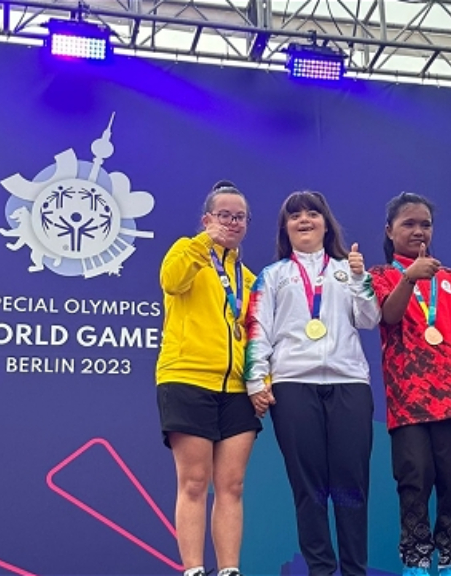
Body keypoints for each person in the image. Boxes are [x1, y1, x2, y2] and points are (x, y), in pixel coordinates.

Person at [245, 190, 381, 576]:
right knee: (308, 486)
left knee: (351, 485)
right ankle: (321, 570)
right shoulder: (272, 276)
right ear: (285, 229)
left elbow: (369, 319)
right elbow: (257, 329)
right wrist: (256, 380)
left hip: (349, 382)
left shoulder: (347, 270)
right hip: (292, 384)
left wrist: (360, 278)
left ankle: (354, 570)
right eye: (295, 216)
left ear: (326, 224)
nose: (304, 220)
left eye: (312, 213)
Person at [368, 192, 451, 576]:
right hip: (409, 401)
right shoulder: (381, 275)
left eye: (425, 224)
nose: (418, 230)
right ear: (390, 231)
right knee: (414, 479)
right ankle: (417, 558)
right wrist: (410, 276)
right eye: (408, 224)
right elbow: (388, 316)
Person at [156, 180, 262, 576]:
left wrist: (261, 380)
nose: (232, 223)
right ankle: (194, 569)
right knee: (195, 482)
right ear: (206, 219)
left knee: (232, 486)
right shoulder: (187, 252)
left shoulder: (248, 279)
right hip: (187, 379)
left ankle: (230, 569)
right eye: (224, 216)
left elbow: (257, 336)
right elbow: (171, 281)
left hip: (236, 388)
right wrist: (204, 243)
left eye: (240, 217)